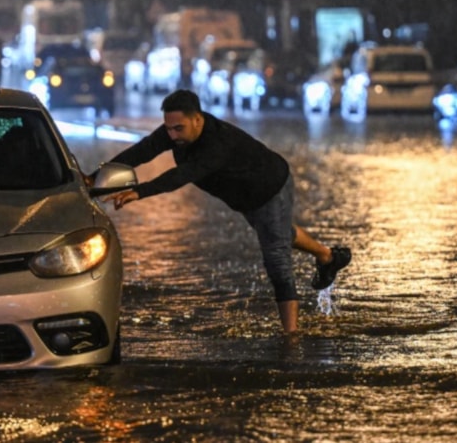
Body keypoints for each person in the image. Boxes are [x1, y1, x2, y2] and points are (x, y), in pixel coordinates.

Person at [94, 89, 351, 333]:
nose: (172, 135)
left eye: (178, 128)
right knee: (278, 232)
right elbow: (142, 150)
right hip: (245, 198)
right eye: (168, 128)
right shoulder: (175, 132)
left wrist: (140, 191)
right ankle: (328, 257)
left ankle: (291, 336)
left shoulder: (217, 143)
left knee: (276, 257)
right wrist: (96, 178)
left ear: (197, 119)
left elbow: (183, 174)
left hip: (269, 187)